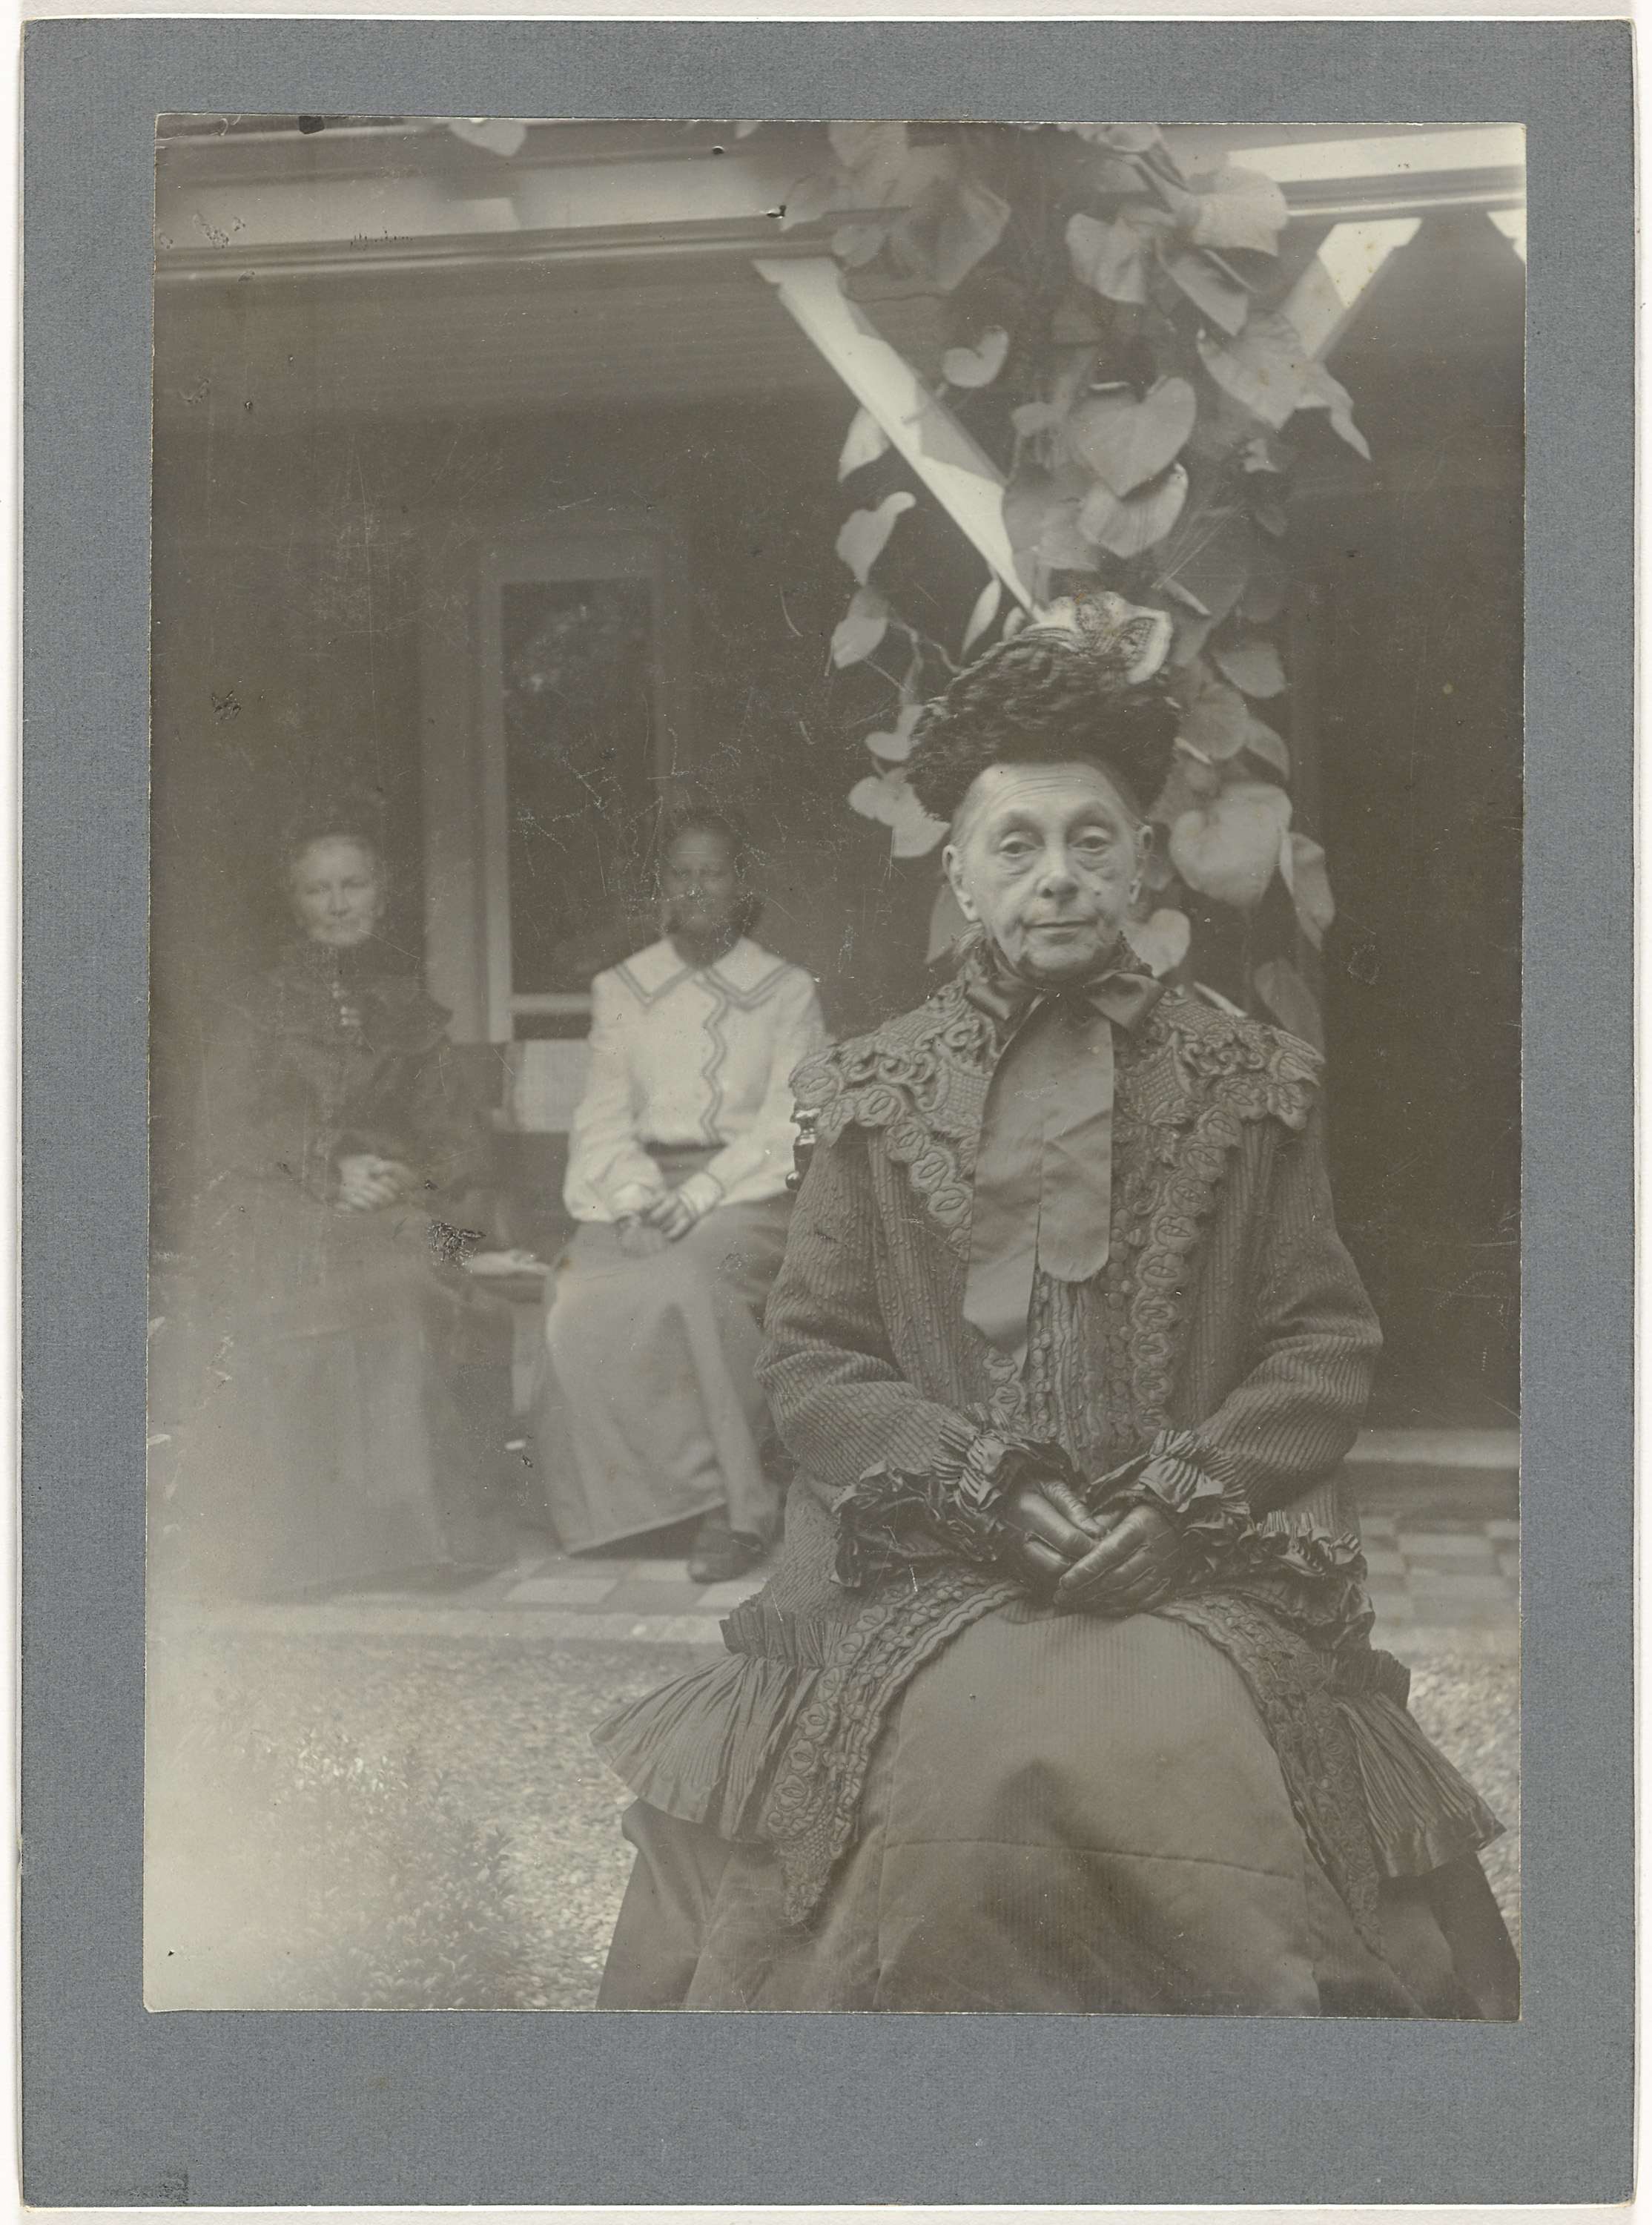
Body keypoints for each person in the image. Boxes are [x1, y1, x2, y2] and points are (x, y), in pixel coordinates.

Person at [592, 599, 1519, 2016]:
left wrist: (1181, 1504)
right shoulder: (873, 1090)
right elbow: (815, 1364)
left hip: (1193, 1563)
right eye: (1014, 845)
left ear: (1143, 861)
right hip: (927, 1556)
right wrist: (983, 1488)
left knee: (1200, 1789)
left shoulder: (1248, 1081)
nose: (1058, 879)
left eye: (1092, 842)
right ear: (960, 876)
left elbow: (1320, 1345)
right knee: (923, 1805)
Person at [163, 808, 515, 1599]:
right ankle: (309, 1550)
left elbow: (458, 1142)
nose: (336, 903)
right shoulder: (254, 1009)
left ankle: (413, 1540)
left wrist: (402, 1177)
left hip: (394, 1209)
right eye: (317, 889)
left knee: (411, 1274)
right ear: (295, 904)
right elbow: (227, 1132)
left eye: (352, 885)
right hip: (276, 1205)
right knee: (320, 1287)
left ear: (380, 896)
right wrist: (330, 1169)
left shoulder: (410, 1009)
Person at [538, 808, 828, 1583]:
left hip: (747, 1193)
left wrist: (700, 1193)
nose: (697, 888)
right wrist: (635, 1194)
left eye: (714, 872)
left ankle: (731, 1508)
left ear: (742, 885)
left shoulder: (785, 991)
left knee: (689, 1280)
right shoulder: (623, 987)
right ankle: (627, 1509)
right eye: (681, 873)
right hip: (634, 1185)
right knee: (577, 1295)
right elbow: (603, 1112)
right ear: (661, 885)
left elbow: (788, 1118)